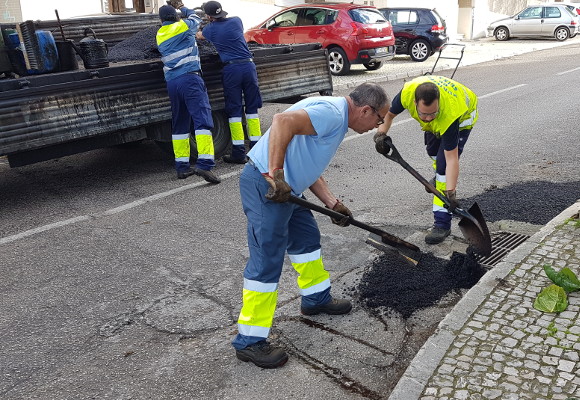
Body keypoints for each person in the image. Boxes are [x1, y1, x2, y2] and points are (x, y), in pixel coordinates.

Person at [232, 83, 390, 368]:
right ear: (366, 110)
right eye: (378, 120)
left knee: (306, 241)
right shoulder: (332, 113)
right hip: (266, 186)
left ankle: (316, 298)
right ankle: (249, 341)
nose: (377, 126)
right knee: (266, 261)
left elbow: (305, 161)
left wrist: (332, 203)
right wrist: (276, 175)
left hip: (290, 189)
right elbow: (281, 121)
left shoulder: (338, 118)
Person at [374, 75, 478, 245]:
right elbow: (389, 115)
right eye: (424, 114)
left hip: (462, 119)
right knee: (432, 151)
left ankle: (442, 224)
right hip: (441, 119)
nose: (429, 118)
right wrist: (380, 135)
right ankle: (438, 178)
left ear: (438, 104)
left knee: (444, 169)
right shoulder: (406, 94)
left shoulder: (449, 115)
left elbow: (452, 159)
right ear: (415, 103)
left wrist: (450, 193)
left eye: (432, 113)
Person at [156, 4, 221, 183]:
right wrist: (182, 7)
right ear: (175, 16)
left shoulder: (160, 34)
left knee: (180, 123)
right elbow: (196, 18)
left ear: (161, 20)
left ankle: (182, 167)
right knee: (202, 120)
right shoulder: (182, 26)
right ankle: (205, 164)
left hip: (172, 82)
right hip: (190, 79)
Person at [195, 1, 263, 164]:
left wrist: (201, 22)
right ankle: (257, 151)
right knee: (252, 109)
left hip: (232, 70)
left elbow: (199, 36)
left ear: (209, 16)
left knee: (234, 110)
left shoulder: (210, 29)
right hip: (249, 66)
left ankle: (239, 153)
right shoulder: (237, 21)